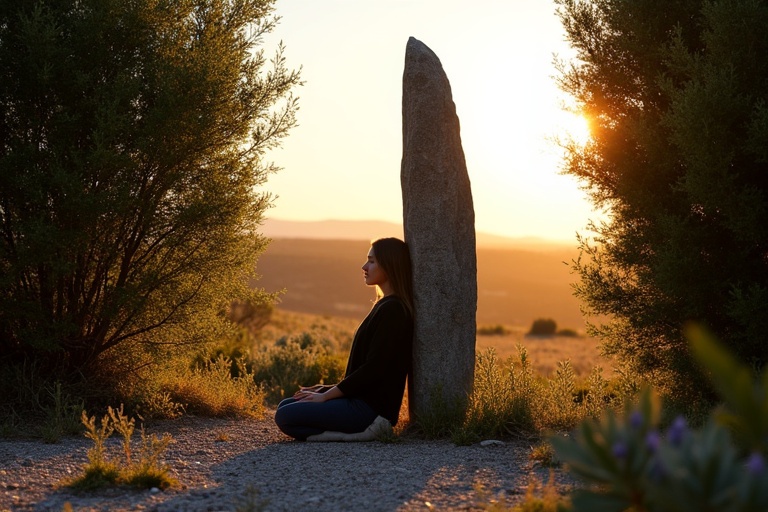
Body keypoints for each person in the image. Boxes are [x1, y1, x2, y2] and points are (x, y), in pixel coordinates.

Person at [274, 237, 414, 441]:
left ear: (390, 265)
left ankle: (356, 435)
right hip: (359, 401)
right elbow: (366, 370)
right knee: (286, 404)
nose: (364, 266)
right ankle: (349, 430)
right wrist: (326, 388)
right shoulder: (385, 305)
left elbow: (374, 369)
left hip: (370, 411)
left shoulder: (394, 310)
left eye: (372, 261)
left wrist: (325, 397)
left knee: (286, 416)